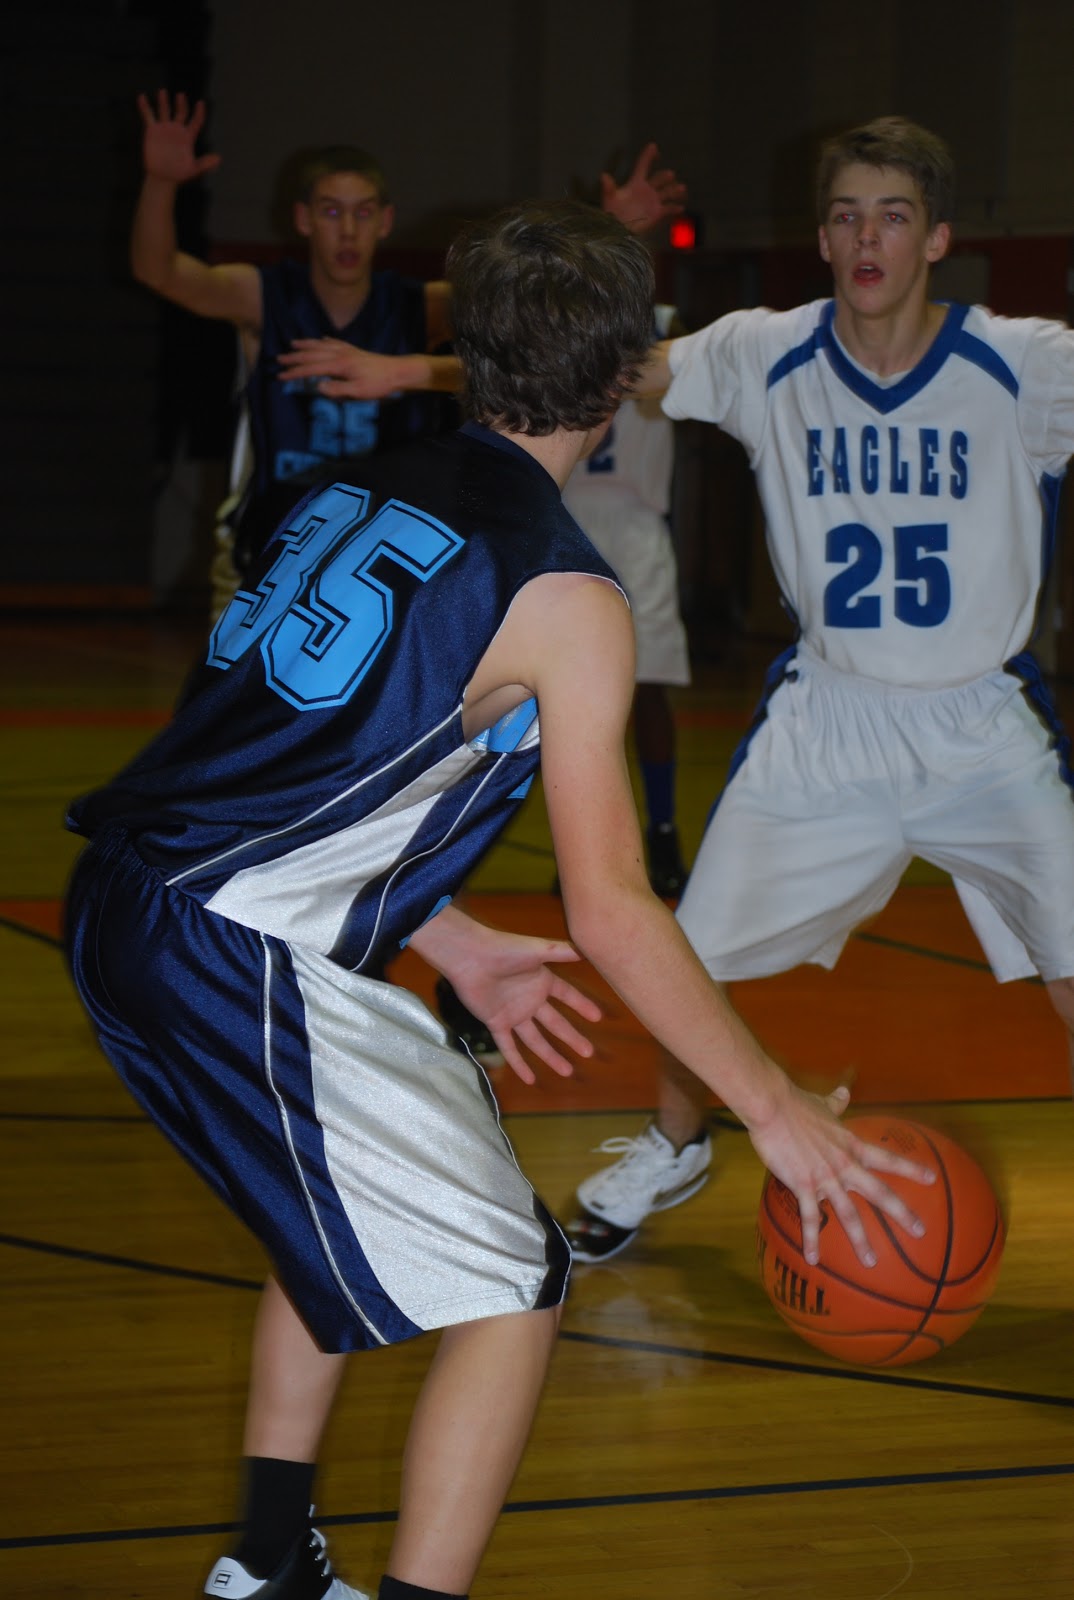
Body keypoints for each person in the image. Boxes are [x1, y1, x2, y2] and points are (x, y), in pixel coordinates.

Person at [65, 198, 933, 1600]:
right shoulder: (566, 595)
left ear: (468, 350)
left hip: (134, 902)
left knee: (319, 1216)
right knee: (516, 1280)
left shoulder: (351, 493)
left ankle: (268, 1563)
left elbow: (280, 764)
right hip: (236, 946)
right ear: (621, 378)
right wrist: (772, 1110)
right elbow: (613, 908)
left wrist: (449, 932)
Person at [565, 112, 1074, 1265]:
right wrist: (612, 244)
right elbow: (601, 368)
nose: (868, 238)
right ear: (823, 236)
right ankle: (677, 1143)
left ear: (937, 238)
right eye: (847, 216)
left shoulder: (1024, 363)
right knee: (684, 961)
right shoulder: (766, 351)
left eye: (893, 216)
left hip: (981, 722)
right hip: (827, 720)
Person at [561, 304, 691, 896]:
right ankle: (579, 847)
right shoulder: (556, 313)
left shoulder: (667, 324)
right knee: (562, 700)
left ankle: (663, 831)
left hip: (637, 520)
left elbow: (678, 391)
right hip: (567, 514)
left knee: (651, 686)